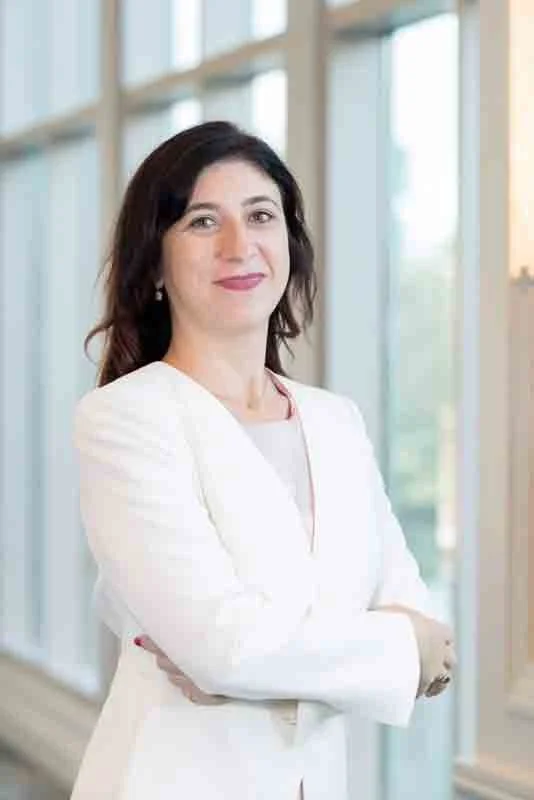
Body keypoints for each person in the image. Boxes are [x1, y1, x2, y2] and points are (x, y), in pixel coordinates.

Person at [70, 120, 456, 800]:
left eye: (260, 216)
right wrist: (390, 652)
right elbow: (223, 645)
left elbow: (425, 629)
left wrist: (257, 672)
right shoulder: (127, 418)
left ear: (289, 245)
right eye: (202, 222)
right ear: (154, 263)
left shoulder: (336, 421)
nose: (239, 245)